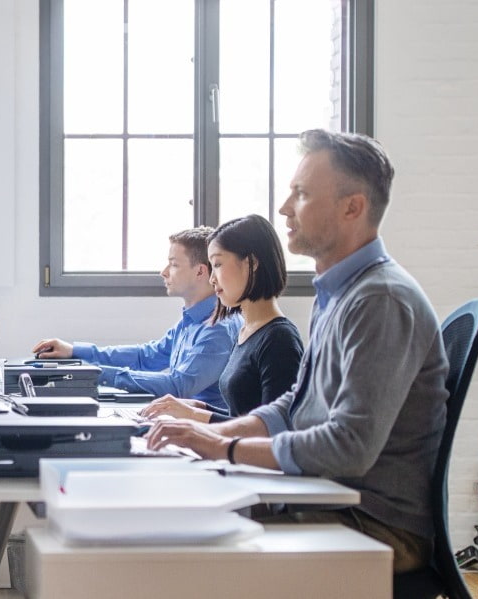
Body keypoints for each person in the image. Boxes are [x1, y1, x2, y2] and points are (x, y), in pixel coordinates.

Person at [145, 129, 450, 574]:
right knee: (173, 520)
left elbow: (348, 446)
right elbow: (296, 405)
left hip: (376, 524)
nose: (286, 208)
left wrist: (223, 450)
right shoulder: (339, 293)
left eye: (302, 194)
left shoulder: (380, 301)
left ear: (353, 207)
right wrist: (216, 437)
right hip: (331, 497)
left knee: (189, 554)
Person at [30, 228, 240, 406]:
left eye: (174, 264)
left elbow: (178, 386)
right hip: (179, 420)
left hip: (202, 431)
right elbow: (146, 357)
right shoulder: (191, 320)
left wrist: (96, 373)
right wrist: (74, 351)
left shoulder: (217, 329)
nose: (164, 272)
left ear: (201, 272)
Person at [140, 214, 302, 422]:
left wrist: (195, 415)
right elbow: (243, 414)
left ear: (251, 263)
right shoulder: (247, 331)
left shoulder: (279, 340)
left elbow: (273, 430)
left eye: (217, 264)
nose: (211, 278)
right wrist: (199, 407)